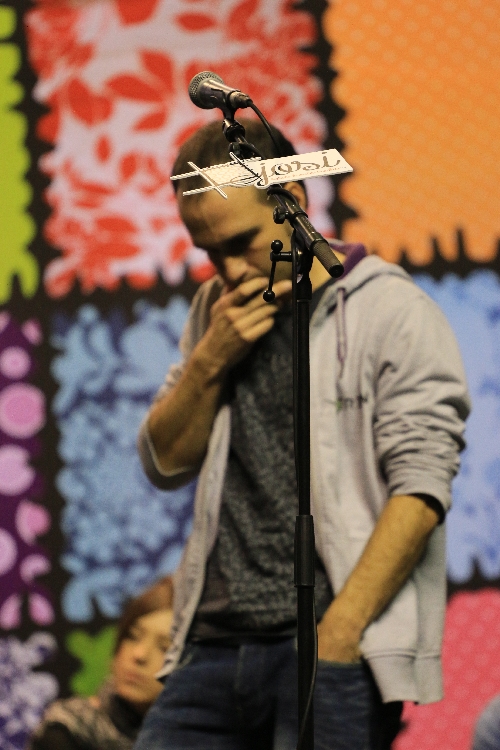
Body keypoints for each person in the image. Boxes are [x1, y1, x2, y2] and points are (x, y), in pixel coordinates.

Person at [135, 118, 470, 750]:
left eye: (240, 242)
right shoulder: (215, 311)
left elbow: (422, 485)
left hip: (326, 645)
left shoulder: (388, 308)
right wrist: (210, 359)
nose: (227, 269)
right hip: (212, 645)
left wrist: (340, 633)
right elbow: (165, 463)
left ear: (293, 200)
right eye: (208, 252)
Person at [28, 576, 173, 750]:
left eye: (164, 648)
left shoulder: (193, 740)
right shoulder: (67, 731)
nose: (139, 654)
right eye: (133, 636)